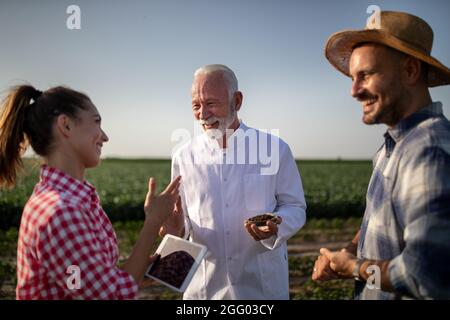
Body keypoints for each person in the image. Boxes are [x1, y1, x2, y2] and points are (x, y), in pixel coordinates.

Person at [312, 11, 450, 299]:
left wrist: (355, 268)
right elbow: (381, 219)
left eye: (366, 75)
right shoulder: (391, 148)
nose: (354, 91)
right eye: (352, 77)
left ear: (410, 71)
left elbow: (426, 275)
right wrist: (350, 250)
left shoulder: (428, 150)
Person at [0, 85, 181, 299]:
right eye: (97, 122)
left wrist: (172, 240)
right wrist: (152, 222)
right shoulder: (62, 212)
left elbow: (88, 283)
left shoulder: (67, 200)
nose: (105, 137)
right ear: (65, 125)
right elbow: (112, 295)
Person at [160, 64, 307, 299]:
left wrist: (277, 226)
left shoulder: (274, 149)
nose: (202, 114)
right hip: (203, 289)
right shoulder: (183, 156)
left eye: (211, 103)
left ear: (236, 101)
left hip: (262, 288)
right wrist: (175, 228)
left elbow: (295, 207)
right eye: (196, 106)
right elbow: (184, 220)